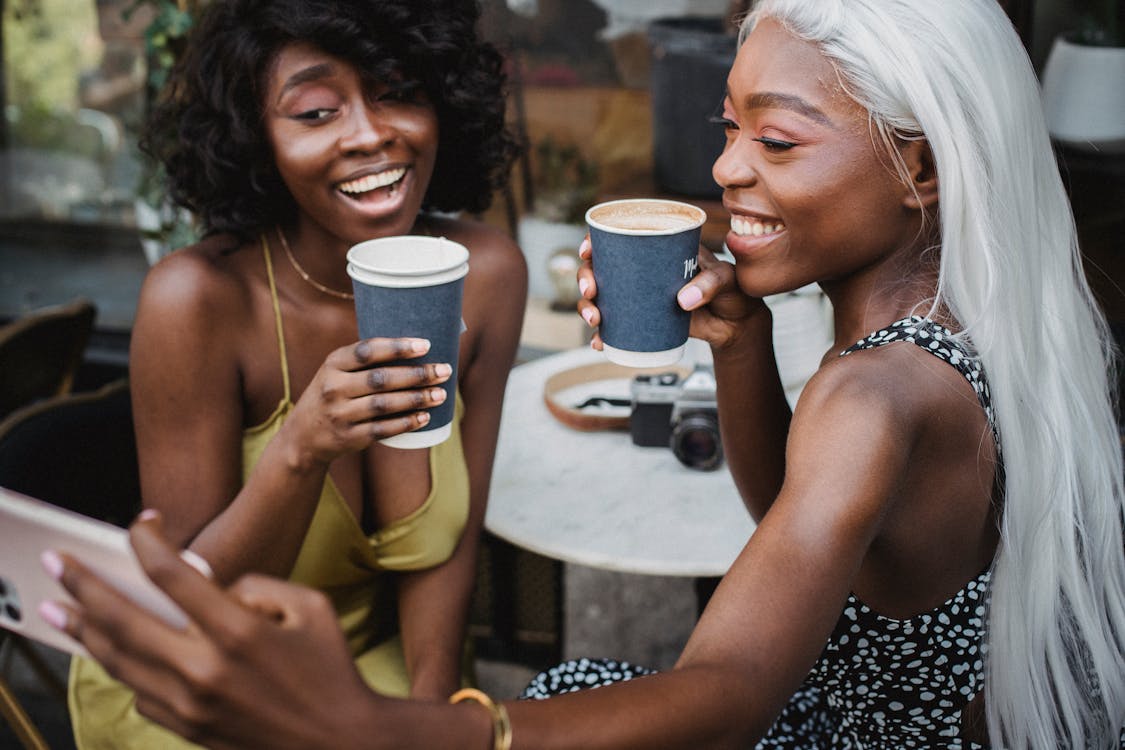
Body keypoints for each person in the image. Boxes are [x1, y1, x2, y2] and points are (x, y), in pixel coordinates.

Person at [41, 0, 1125, 747]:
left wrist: (404, 730)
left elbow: (729, 697)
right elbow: (809, 522)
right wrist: (741, 350)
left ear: (921, 170)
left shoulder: (871, 394)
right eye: (728, 123)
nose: (725, 167)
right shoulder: (940, 341)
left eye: (778, 142)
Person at [63, 1, 526, 748]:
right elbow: (185, 605)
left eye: (399, 91)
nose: (371, 133)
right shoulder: (200, 301)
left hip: (374, 670)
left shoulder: (485, 274)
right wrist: (302, 446)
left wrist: (429, 718)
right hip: (200, 683)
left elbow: (453, 548)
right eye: (315, 111)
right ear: (257, 139)